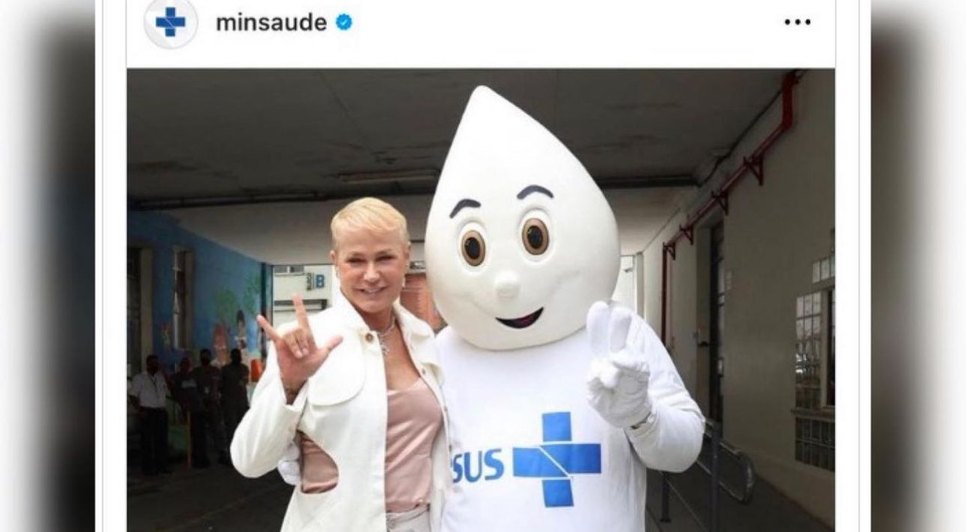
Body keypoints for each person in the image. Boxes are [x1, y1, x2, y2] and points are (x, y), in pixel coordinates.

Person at [231, 198, 449, 532]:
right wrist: (290, 386)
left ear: (407, 256)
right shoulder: (304, 342)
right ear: (335, 262)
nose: (371, 275)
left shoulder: (424, 338)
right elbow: (250, 461)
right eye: (356, 260)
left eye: (385, 258)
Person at [129, 354, 171, 476]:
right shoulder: (139, 378)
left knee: (161, 441)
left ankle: (161, 466)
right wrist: (139, 410)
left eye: (157, 363)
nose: (155, 365)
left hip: (160, 411)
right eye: (153, 363)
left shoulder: (160, 377)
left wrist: (165, 374)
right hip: (147, 412)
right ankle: (148, 469)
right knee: (147, 441)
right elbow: (132, 395)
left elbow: (169, 389)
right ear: (147, 364)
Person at [191, 348, 230, 466]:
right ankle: (202, 457)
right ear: (200, 357)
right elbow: (192, 389)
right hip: (200, 406)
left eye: (207, 356)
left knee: (218, 430)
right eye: (203, 356)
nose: (205, 358)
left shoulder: (216, 371)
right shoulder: (195, 372)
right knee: (201, 433)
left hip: (214, 405)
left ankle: (222, 454)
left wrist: (220, 401)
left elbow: (222, 387)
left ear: (210, 357)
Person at [220, 348, 250, 447]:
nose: (237, 357)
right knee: (231, 428)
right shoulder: (225, 370)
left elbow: (244, 382)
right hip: (229, 403)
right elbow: (220, 386)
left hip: (241, 403)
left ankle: (243, 447)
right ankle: (232, 448)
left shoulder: (244, 369)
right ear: (231, 357)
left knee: (243, 426)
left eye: (238, 355)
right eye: (235, 355)